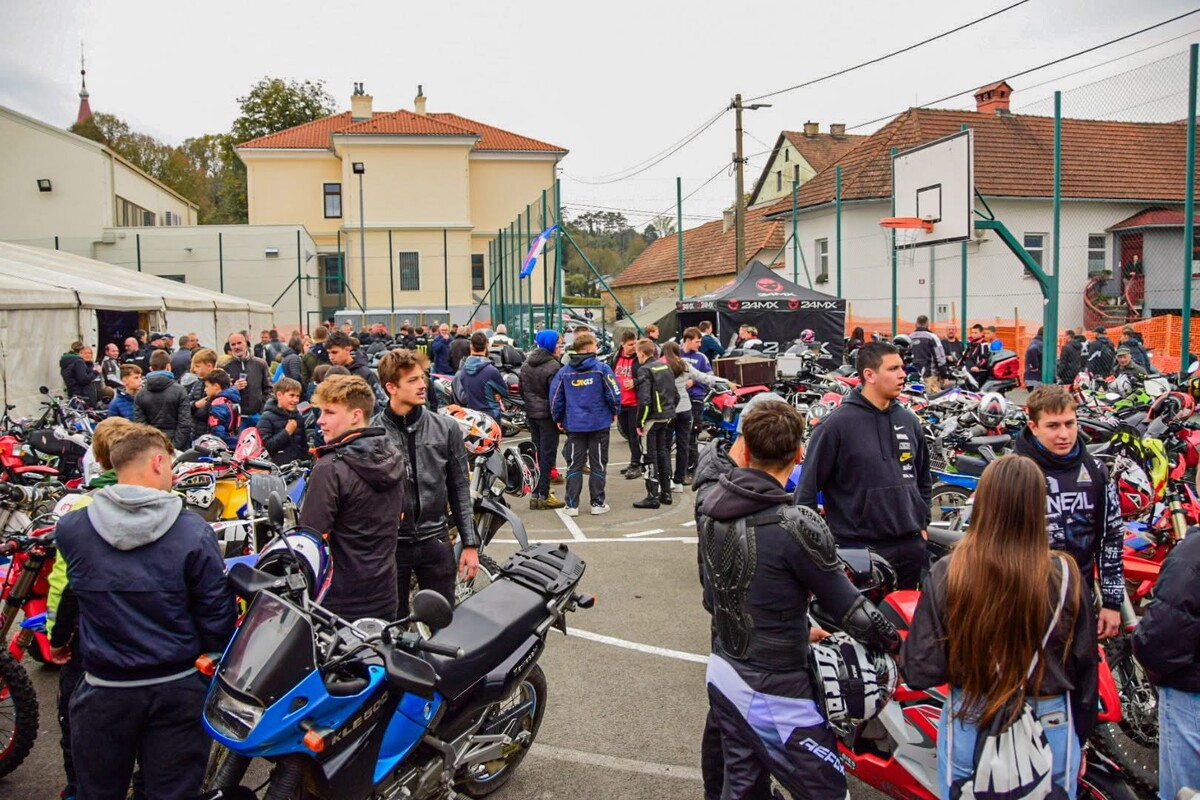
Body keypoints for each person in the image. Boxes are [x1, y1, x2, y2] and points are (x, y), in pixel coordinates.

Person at [698, 401, 900, 800]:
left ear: (746, 449)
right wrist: (898, 645)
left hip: (725, 670)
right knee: (828, 792)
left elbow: (720, 594)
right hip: (775, 688)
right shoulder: (795, 524)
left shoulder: (710, 508)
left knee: (744, 789)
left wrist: (799, 624)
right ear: (799, 453)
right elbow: (852, 610)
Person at [51, 424, 236, 800]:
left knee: (98, 792)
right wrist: (209, 663)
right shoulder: (193, 531)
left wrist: (59, 640)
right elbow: (217, 613)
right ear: (157, 462)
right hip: (176, 685)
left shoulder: (73, 528)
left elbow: (72, 592)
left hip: (103, 687)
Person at [904, 454, 1096, 797]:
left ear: (983, 503)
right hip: (1051, 719)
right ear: (1039, 506)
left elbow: (920, 669)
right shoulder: (1066, 575)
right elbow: (1085, 665)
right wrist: (1081, 736)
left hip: (972, 715)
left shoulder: (950, 572)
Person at [796, 341, 931, 589]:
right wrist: (817, 548)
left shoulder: (909, 421)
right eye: (893, 368)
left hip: (911, 549)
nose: (903, 374)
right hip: (859, 554)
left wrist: (923, 523)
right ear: (869, 375)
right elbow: (805, 494)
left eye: (902, 367)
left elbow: (923, 479)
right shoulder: (834, 427)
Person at [1014, 384, 1124, 640]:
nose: (1064, 434)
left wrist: (1112, 603)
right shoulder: (1012, 471)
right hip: (1023, 605)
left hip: (1079, 601)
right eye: (1053, 426)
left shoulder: (1096, 471)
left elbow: (1111, 537)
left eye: (1069, 424)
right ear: (1033, 427)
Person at [374, 350, 478, 615]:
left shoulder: (446, 428)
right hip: (391, 546)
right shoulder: (372, 434)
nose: (422, 385)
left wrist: (469, 544)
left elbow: (459, 488)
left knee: (443, 622)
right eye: (412, 380)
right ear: (391, 387)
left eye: (422, 378)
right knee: (391, 625)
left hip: (436, 541)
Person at [301, 375, 406, 621]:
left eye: (329, 412)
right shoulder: (392, 455)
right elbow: (401, 516)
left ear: (356, 415)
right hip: (385, 594)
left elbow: (311, 540)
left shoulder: (330, 467)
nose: (320, 420)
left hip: (338, 603)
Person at [1131, 511, 1200, 799]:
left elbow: (1158, 642)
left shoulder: (1191, 555)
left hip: (1190, 694)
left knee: (1184, 790)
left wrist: (1141, 645)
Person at [549, 331, 621, 516]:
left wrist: (558, 418)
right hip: (599, 424)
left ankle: (571, 505)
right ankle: (597, 503)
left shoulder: (564, 371)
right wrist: (615, 411)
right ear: (589, 349)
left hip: (574, 425)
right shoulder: (602, 369)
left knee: (574, 464)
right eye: (595, 345)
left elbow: (555, 398)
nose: (597, 348)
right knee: (598, 464)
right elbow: (614, 393)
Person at [663, 341, 725, 494]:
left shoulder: (662, 366)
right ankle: (679, 481)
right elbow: (704, 377)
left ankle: (667, 479)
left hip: (669, 409)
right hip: (685, 408)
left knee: (665, 446)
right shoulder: (684, 365)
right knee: (683, 445)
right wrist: (726, 382)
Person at [632, 338, 678, 509]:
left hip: (651, 418)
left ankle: (652, 496)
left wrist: (640, 422)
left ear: (641, 353)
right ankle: (666, 493)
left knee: (649, 456)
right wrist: (669, 411)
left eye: (637, 353)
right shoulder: (665, 366)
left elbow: (644, 400)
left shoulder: (645, 369)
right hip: (666, 416)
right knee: (662, 452)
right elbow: (675, 394)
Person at [522, 331, 566, 510]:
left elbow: (523, 391)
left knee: (537, 454)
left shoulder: (526, 363)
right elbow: (557, 395)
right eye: (558, 344)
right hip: (547, 416)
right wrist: (559, 416)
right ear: (550, 344)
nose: (560, 347)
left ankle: (535, 494)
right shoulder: (553, 366)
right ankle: (544, 495)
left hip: (532, 414)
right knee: (548, 455)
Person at [134, 350, 192, 450]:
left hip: (152, 446)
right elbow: (185, 423)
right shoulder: (180, 390)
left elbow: (141, 427)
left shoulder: (140, 394)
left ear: (151, 368)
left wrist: (152, 446)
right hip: (178, 447)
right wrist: (174, 447)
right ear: (168, 367)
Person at [680, 328, 715, 483]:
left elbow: (709, 376)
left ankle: (691, 471)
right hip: (678, 400)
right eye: (697, 341)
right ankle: (678, 472)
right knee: (680, 437)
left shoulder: (701, 357)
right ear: (687, 340)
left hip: (695, 399)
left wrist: (693, 381)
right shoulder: (676, 354)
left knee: (692, 435)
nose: (700, 344)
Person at [326, 330, 386, 412]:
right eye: (329, 353)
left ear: (347, 349)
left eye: (334, 352)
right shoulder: (331, 373)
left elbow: (381, 403)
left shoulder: (366, 374)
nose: (331, 357)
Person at [222, 332, 272, 427]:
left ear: (246, 343)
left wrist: (262, 410)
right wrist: (233, 388)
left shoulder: (260, 364)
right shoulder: (224, 367)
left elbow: (269, 389)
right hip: (236, 418)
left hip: (258, 416)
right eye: (233, 344)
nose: (237, 347)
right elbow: (220, 393)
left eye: (239, 343)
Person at [612, 331, 644, 479]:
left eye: (635, 343)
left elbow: (647, 376)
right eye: (630, 344)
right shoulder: (615, 357)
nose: (634, 347)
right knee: (626, 433)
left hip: (635, 403)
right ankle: (634, 461)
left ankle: (637, 463)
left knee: (634, 434)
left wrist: (635, 382)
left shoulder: (639, 358)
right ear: (623, 344)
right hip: (621, 403)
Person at [456, 331, 507, 419]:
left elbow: (463, 395)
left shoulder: (463, 370)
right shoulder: (491, 371)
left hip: (472, 416)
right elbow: (505, 391)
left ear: (471, 346)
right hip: (491, 416)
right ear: (487, 345)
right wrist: (497, 393)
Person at [256, 377, 308, 464]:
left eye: (297, 396)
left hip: (296, 467)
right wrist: (286, 432)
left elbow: (303, 445)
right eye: (292, 395)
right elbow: (265, 447)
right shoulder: (266, 418)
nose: (296, 400)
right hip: (276, 468)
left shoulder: (298, 417)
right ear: (279, 395)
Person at [202, 368, 241, 447]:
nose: (205, 389)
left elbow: (217, 432)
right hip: (234, 441)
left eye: (207, 386)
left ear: (216, 386)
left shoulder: (218, 403)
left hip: (224, 446)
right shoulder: (231, 398)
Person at [188, 348, 219, 436]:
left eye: (198, 366)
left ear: (209, 366)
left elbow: (207, 413)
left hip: (211, 435)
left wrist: (195, 412)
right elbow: (185, 406)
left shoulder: (218, 385)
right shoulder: (197, 384)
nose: (194, 370)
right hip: (196, 433)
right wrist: (196, 405)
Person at [909, 315, 946, 386]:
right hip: (930, 376)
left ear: (916, 324)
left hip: (912, 376)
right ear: (927, 324)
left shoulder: (910, 337)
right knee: (932, 393)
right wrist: (944, 375)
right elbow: (940, 357)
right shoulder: (932, 337)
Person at [61, 341, 99, 407]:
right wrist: (96, 372)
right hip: (81, 397)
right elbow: (83, 379)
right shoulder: (78, 362)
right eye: (85, 353)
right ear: (81, 352)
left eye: (90, 353)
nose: (88, 355)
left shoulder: (68, 362)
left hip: (74, 396)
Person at [301, 325, 331, 391]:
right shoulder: (332, 352)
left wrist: (309, 387)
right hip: (331, 386)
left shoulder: (307, 355)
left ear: (314, 337)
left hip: (314, 387)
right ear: (327, 336)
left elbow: (304, 377)